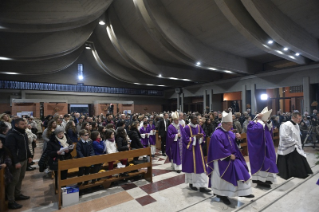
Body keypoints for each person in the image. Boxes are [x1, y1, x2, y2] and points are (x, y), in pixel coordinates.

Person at [207, 111, 254, 206]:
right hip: (221, 159)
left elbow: (232, 142)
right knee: (226, 175)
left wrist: (237, 137)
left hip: (232, 157)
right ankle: (223, 195)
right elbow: (218, 148)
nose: (231, 126)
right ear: (223, 124)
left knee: (242, 169)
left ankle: (243, 192)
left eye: (231, 124)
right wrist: (228, 155)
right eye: (229, 125)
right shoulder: (217, 134)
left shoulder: (229, 131)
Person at [247, 107, 278, 188]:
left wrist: (267, 122)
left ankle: (267, 179)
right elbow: (255, 132)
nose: (267, 119)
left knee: (270, 160)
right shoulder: (252, 124)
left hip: (268, 146)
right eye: (266, 118)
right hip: (259, 149)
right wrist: (260, 121)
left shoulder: (264, 123)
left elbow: (270, 130)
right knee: (263, 162)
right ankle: (260, 180)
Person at [5, 118, 33, 209]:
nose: (25, 125)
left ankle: (17, 194)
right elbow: (11, 150)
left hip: (24, 159)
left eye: (25, 123)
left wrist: (29, 155)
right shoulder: (12, 135)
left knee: (20, 178)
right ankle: (11, 201)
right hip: (17, 161)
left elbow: (26, 146)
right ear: (16, 125)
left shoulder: (23, 132)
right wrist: (16, 162)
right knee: (14, 180)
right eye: (22, 124)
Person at [277, 112, 313, 179]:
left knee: (300, 156)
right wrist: (293, 142)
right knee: (296, 158)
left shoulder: (296, 125)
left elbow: (297, 136)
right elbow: (284, 136)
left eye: (300, 119)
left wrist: (298, 143)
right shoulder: (285, 125)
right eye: (298, 119)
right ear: (293, 117)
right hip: (288, 145)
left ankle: (298, 173)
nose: (300, 120)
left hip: (295, 145)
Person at [183, 115, 210, 193]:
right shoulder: (187, 128)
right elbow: (185, 139)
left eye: (197, 119)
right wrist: (195, 138)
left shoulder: (199, 127)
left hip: (198, 150)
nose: (197, 121)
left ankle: (202, 186)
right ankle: (191, 183)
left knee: (201, 167)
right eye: (195, 119)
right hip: (191, 151)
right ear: (191, 119)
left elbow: (203, 134)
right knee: (191, 167)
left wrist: (201, 137)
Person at [46, 127, 73, 191]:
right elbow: (49, 152)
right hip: (57, 160)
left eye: (62, 133)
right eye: (59, 134)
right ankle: (57, 187)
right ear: (56, 134)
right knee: (58, 175)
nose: (61, 135)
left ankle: (63, 188)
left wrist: (69, 150)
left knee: (64, 174)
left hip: (66, 158)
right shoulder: (52, 141)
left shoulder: (67, 138)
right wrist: (56, 152)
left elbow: (71, 146)